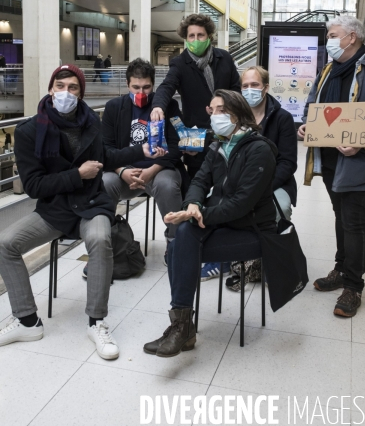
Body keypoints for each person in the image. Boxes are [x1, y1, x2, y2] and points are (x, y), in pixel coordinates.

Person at [0, 64, 165, 358]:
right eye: (60, 86)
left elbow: (106, 156)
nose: (65, 92)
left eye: (73, 87)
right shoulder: (29, 132)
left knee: (101, 241)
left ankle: (96, 321)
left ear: (81, 92)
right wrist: (78, 174)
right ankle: (27, 320)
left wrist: (141, 152)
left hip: (91, 204)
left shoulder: (90, 121)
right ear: (51, 89)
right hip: (56, 210)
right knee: (6, 243)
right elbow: (34, 186)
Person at [143, 89, 277, 358]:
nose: (214, 116)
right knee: (182, 236)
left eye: (220, 111)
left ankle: (183, 329)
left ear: (238, 115)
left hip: (253, 231)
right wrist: (191, 205)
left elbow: (241, 204)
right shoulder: (218, 145)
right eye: (212, 110)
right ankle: (182, 326)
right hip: (223, 223)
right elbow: (200, 181)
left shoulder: (259, 150)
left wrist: (198, 213)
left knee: (182, 243)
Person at [298, 16, 365, 317]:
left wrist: (362, 144)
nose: (329, 40)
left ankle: (353, 286)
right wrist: (306, 124)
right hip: (329, 156)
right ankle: (341, 269)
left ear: (352, 37)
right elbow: (312, 103)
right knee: (340, 214)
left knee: (353, 220)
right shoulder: (329, 69)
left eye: (333, 34)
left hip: (358, 159)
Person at [209, 65, 298, 290]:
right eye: (245, 86)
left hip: (275, 183)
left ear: (266, 88)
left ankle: (269, 261)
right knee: (220, 202)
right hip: (238, 182)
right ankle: (233, 256)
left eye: (255, 85)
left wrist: (262, 186)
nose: (250, 90)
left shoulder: (282, 118)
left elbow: (288, 162)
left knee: (280, 208)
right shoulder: (231, 117)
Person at [100, 58, 186, 266]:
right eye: (136, 87)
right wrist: (122, 171)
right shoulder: (113, 108)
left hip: (159, 170)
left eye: (146, 87)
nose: (141, 92)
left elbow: (177, 146)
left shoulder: (169, 106)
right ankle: (105, 244)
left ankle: (176, 242)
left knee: (167, 185)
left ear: (153, 85)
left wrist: (151, 171)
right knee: (105, 183)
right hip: (124, 172)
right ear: (127, 85)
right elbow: (105, 149)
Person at [150, 13, 241, 179]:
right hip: (197, 135)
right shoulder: (180, 63)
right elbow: (167, 85)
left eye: (200, 35)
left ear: (209, 37)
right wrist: (158, 106)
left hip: (227, 130)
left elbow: (237, 91)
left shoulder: (225, 58)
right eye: (191, 36)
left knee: (228, 178)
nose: (196, 40)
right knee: (198, 180)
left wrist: (225, 108)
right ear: (186, 38)